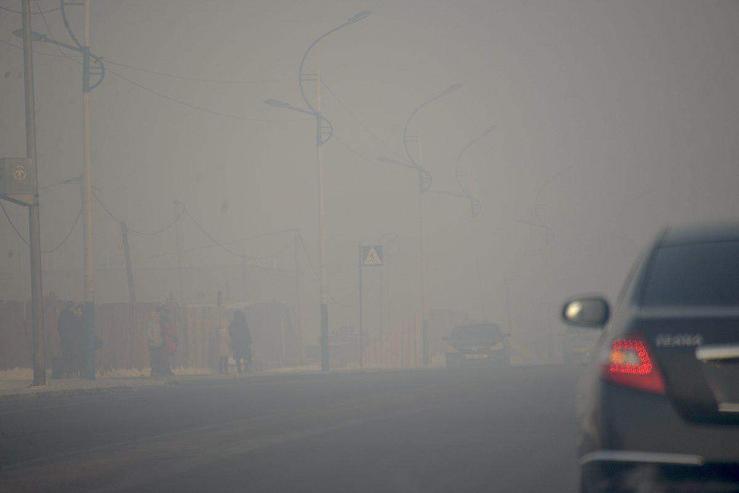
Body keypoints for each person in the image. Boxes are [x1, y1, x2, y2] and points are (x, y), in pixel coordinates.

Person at [229, 310, 252, 374]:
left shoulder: (233, 324)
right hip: (242, 342)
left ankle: (242, 368)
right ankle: (244, 368)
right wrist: (249, 341)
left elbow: (231, 333)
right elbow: (247, 332)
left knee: (239, 356)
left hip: (239, 342)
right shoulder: (242, 323)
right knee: (244, 356)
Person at [159, 305, 178, 376]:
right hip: (165, 340)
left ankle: (167, 369)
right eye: (166, 312)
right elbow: (165, 331)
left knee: (167, 356)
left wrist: (174, 338)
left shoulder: (168, 321)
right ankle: (165, 370)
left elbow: (172, 330)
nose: (168, 314)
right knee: (164, 356)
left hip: (169, 340)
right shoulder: (162, 321)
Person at [147, 307, 163, 377]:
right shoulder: (150, 324)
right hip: (153, 344)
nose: (156, 316)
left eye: (157, 315)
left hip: (159, 344)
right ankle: (153, 371)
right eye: (155, 315)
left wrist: (161, 340)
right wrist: (153, 339)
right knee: (154, 358)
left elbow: (161, 333)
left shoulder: (159, 324)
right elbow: (149, 333)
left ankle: (158, 371)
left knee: (159, 358)